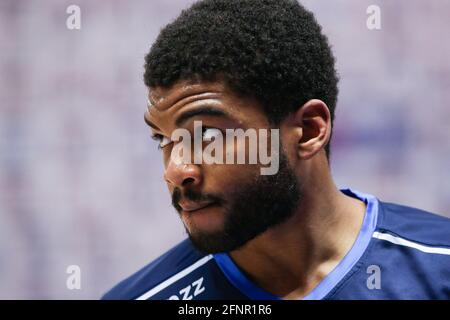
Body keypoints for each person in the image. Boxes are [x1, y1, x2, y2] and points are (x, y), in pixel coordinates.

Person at [103, 0, 450, 300]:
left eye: (206, 135)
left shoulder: (439, 267)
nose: (176, 170)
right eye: (163, 139)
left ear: (309, 131)